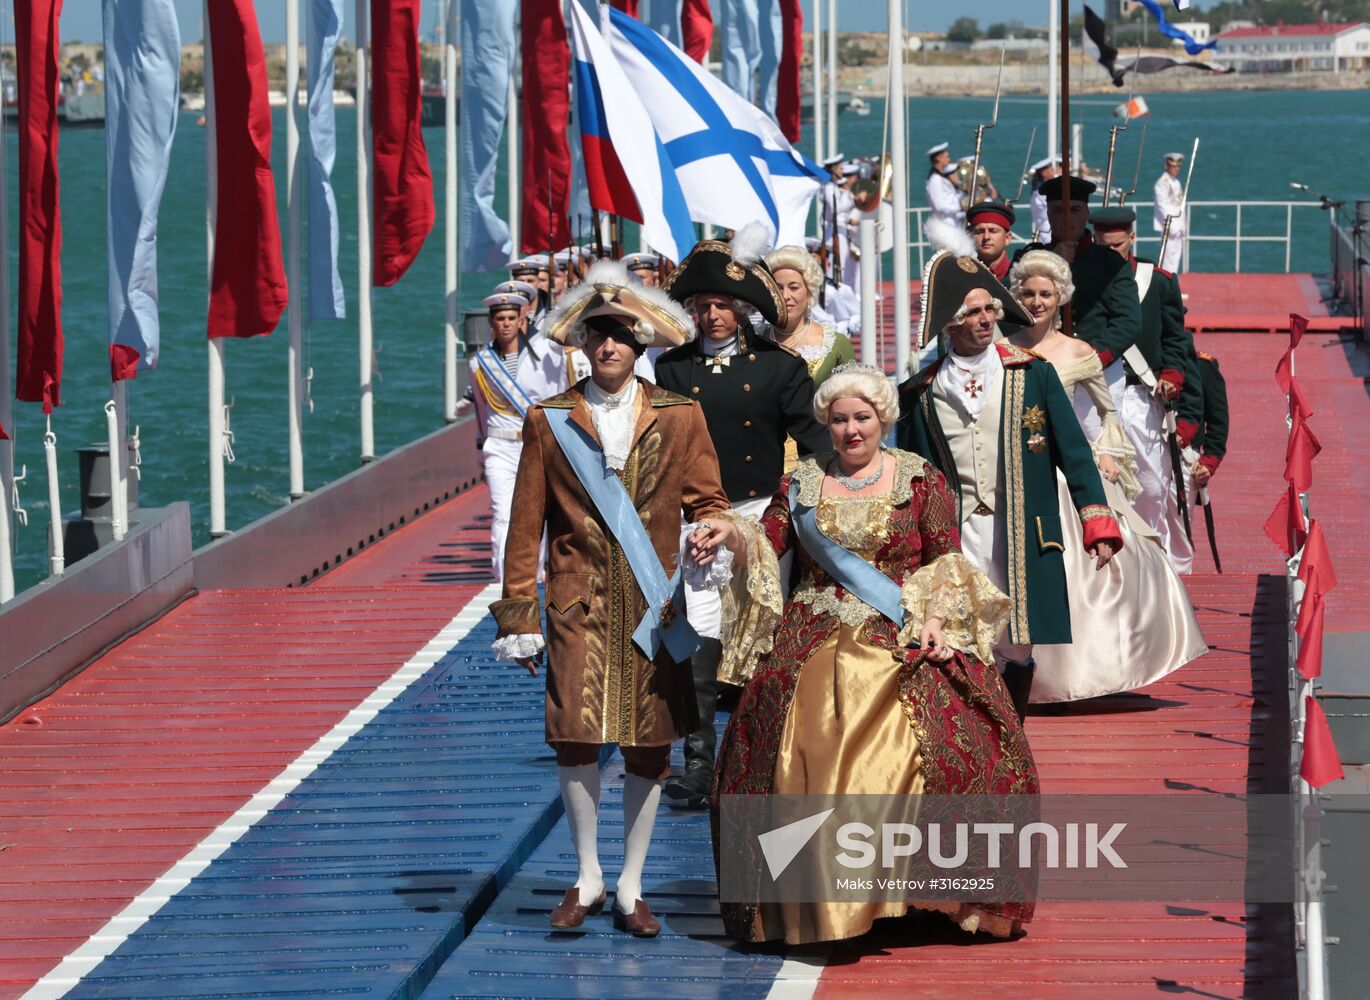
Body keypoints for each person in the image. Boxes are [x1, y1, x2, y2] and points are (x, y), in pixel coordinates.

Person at [692, 363, 1038, 945]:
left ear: (882, 420)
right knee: (805, 736)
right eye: (839, 420)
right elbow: (769, 537)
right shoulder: (800, 482)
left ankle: (932, 893)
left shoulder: (920, 478)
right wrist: (728, 530)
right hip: (812, 631)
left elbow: (944, 559)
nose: (852, 430)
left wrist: (933, 618)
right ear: (825, 425)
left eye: (862, 418)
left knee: (968, 743)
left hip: (900, 627)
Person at [491, 265, 729, 938]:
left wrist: (711, 533)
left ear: (642, 345)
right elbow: (524, 524)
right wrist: (518, 616)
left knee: (649, 745)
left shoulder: (682, 417)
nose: (609, 348)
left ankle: (631, 884)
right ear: (584, 344)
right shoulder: (549, 419)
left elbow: (708, 503)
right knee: (574, 739)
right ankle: (587, 874)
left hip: (655, 607)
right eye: (599, 336)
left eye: (622, 336)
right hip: (576, 605)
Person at [897, 250, 1124, 714]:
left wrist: (1097, 522)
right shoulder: (920, 392)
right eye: (973, 312)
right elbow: (913, 474)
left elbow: (1075, 453)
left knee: (1016, 642)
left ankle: (1012, 730)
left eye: (989, 309)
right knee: (958, 633)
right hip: (956, 534)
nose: (985, 319)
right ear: (950, 323)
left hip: (1020, 530)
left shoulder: (1033, 372)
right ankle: (977, 736)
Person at [654, 225, 829, 808]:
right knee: (700, 629)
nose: (712, 316)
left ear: (743, 310)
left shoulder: (780, 369)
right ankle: (699, 763)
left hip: (762, 514)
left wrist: (803, 508)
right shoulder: (672, 372)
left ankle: (763, 761)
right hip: (698, 517)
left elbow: (812, 446)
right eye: (702, 306)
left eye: (723, 305)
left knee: (763, 635)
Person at [1007, 250, 1207, 703]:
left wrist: (1106, 455)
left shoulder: (1080, 353)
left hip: (1066, 471)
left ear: (1061, 298)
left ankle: (1085, 670)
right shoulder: (1003, 350)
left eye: (1045, 294)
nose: (1036, 302)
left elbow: (1107, 414)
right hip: (1017, 472)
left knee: (1090, 570)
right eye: (1028, 293)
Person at [1091, 206, 1202, 573]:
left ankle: (1152, 561)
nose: (1109, 253)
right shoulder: (1082, 278)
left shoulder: (1157, 280)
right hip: (1094, 393)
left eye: (1117, 245)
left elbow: (1175, 338)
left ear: (1132, 239)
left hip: (1142, 395)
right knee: (1100, 479)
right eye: (1101, 245)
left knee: (1152, 485)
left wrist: (1172, 375)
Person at [464, 290, 568, 580]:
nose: (506, 323)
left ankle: (535, 578)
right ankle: (502, 580)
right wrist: (480, 447)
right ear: (491, 322)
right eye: (500, 318)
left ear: (523, 318)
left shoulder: (547, 353)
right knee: (503, 514)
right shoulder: (479, 364)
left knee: (538, 515)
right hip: (499, 446)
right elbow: (482, 413)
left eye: (512, 317)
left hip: (537, 445)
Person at [1032, 174, 1142, 369]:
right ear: (1048, 215)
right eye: (1058, 211)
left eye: (1075, 210)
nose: (1067, 218)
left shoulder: (1111, 263)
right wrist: (1051, 261)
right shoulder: (1030, 258)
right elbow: (1010, 305)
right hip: (1042, 363)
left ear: (1086, 214)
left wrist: (1094, 358)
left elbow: (1128, 321)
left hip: (1097, 366)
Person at [1153, 152, 1187, 273]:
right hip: (1169, 225)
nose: (1176, 168)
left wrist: (1182, 225)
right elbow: (1163, 206)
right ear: (1166, 166)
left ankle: (1173, 282)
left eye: (1177, 166)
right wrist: (1171, 225)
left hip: (1178, 226)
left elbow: (1178, 205)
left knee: (1175, 257)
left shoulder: (1176, 182)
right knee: (1167, 258)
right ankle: (1167, 285)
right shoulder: (1162, 183)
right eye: (1173, 166)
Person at [967, 201, 1016, 282]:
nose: (986, 237)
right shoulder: (962, 276)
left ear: (1007, 238)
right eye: (980, 231)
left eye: (993, 231)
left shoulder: (1019, 277)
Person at [925, 141, 964, 228]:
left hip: (952, 222)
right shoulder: (935, 179)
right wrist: (960, 208)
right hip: (945, 224)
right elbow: (939, 206)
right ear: (939, 159)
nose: (949, 159)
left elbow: (950, 198)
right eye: (946, 157)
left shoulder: (941, 178)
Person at [1028, 157, 1060, 243]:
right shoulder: (1040, 193)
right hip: (1048, 234)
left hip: (1052, 231)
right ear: (1044, 173)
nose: (1054, 173)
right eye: (1051, 170)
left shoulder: (1042, 190)